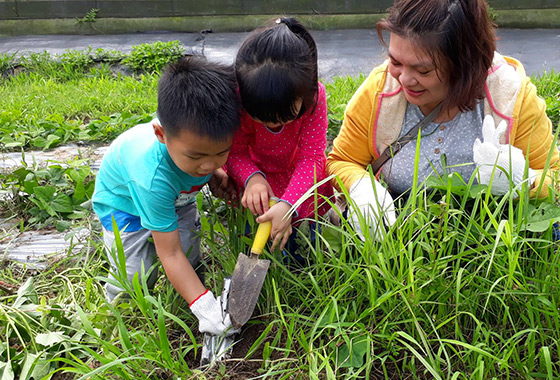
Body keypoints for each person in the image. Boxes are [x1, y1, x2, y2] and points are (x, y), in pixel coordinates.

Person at [327, 0, 559, 240]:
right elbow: (342, 160)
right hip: (400, 237)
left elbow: (555, 175)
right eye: (395, 62)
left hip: (493, 242)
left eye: (423, 71)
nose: (404, 79)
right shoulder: (379, 91)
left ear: (465, 64)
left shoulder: (511, 97)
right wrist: (361, 187)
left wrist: (523, 182)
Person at [92, 56, 240, 336]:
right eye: (197, 156)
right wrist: (204, 305)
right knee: (136, 276)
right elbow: (168, 252)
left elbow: (204, 162)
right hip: (125, 207)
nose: (208, 165)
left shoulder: (195, 151)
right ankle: (118, 316)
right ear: (161, 134)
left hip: (176, 198)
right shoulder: (151, 178)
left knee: (188, 249)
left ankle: (188, 292)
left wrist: (216, 176)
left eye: (221, 153)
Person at [224, 17, 333, 255]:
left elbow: (312, 158)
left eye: (284, 117)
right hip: (260, 180)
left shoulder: (315, 97)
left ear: (307, 93)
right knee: (260, 239)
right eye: (261, 118)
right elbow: (235, 152)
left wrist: (289, 203)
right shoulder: (240, 98)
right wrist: (252, 178)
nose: (273, 124)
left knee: (307, 246)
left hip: (301, 180)